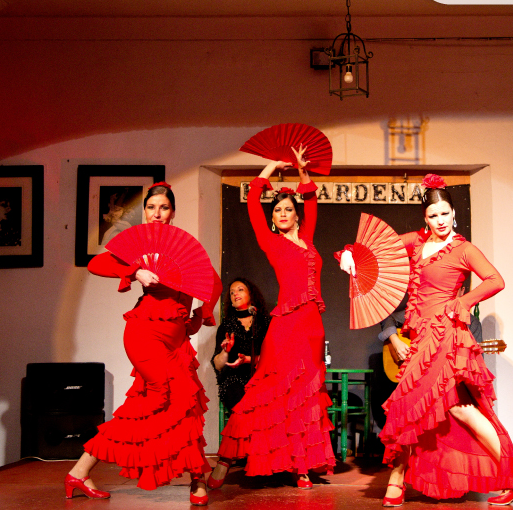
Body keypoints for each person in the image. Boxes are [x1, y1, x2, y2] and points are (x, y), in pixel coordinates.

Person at [338, 174, 513, 507]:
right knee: (414, 406)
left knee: (459, 408)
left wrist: (463, 302)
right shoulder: (416, 241)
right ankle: (398, 480)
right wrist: (349, 255)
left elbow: (495, 280)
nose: (440, 221)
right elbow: (378, 251)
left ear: (453, 213)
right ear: (425, 217)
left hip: (445, 335)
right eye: (433, 215)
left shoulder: (464, 249)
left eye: (444, 214)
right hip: (419, 335)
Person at [65, 182, 217, 506]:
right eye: (151, 208)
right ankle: (82, 469)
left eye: (163, 207)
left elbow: (212, 282)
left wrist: (201, 314)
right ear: (145, 212)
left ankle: (196, 478)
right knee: (162, 397)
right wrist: (136, 272)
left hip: (177, 341)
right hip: (144, 332)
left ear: (172, 212)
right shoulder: (141, 246)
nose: (157, 214)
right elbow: (96, 264)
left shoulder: (182, 245)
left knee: (184, 404)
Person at [208, 147, 336, 491]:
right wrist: (268, 169)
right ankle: (224, 460)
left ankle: (301, 466)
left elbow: (311, 201)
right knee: (269, 391)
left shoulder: (307, 239)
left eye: (286, 209)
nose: (281, 213)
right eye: (276, 209)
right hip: (285, 325)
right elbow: (253, 204)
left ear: (295, 215)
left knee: (306, 396)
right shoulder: (271, 242)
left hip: (312, 326)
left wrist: (303, 171)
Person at [212, 278, 270, 412]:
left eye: (240, 290)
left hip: (263, 376)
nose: (235, 294)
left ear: (251, 294)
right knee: (239, 396)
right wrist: (225, 352)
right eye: (232, 293)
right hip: (235, 380)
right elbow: (218, 365)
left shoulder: (266, 323)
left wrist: (250, 359)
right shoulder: (226, 326)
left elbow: (277, 358)